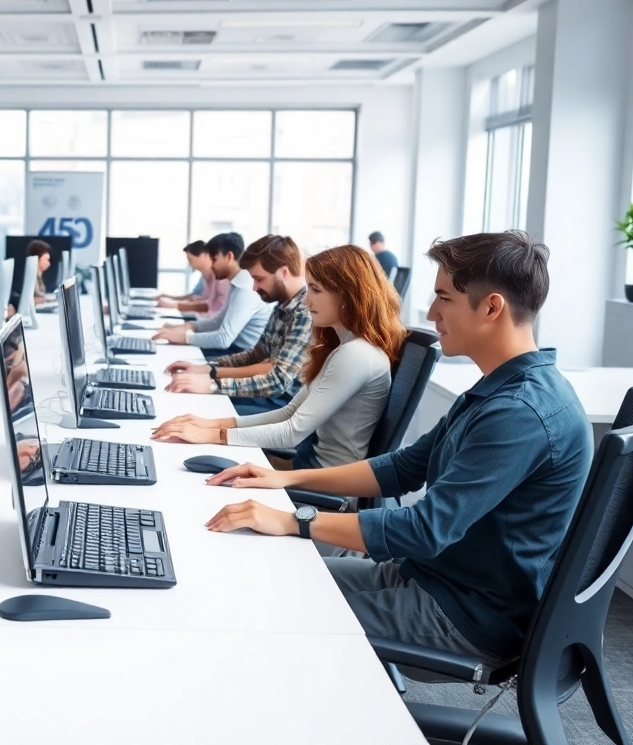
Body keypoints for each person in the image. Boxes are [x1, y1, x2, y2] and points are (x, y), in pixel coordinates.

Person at [203, 231, 592, 673]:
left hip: (462, 614)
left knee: (271, 612)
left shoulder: (520, 413)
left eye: (443, 298)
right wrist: (288, 479)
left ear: (491, 307)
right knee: (268, 576)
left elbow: (425, 530)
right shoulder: (498, 389)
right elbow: (404, 468)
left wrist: (294, 519)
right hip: (427, 577)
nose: (430, 313)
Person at [154, 245, 406, 470]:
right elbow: (289, 413)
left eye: (315, 290)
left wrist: (213, 435)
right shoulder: (342, 347)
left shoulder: (356, 354)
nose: (306, 301)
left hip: (322, 486)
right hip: (307, 465)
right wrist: (211, 424)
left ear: (348, 296)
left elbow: (293, 432)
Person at [163, 235, 313, 417]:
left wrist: (212, 382)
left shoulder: (305, 311)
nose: (254, 287)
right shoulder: (283, 306)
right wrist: (207, 368)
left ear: (284, 273)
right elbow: (256, 354)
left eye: (259, 279)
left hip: (284, 405)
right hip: (268, 396)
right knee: (189, 396)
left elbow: (278, 381)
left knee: (203, 409)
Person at [152, 232, 270, 357]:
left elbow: (223, 339)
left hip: (240, 354)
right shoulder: (236, 283)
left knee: (177, 355)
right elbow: (218, 321)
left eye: (214, 259)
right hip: (232, 349)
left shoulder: (246, 289)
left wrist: (186, 337)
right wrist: (189, 326)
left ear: (229, 257)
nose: (211, 265)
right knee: (174, 349)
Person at [157, 240, 228, 318]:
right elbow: (196, 298)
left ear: (204, 255)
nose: (189, 264)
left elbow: (208, 305)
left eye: (190, 260)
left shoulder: (221, 278)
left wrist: (173, 304)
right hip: (205, 318)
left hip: (212, 321)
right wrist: (171, 300)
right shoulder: (204, 277)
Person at [27, 240, 56, 306]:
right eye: (47, 259)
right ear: (37, 259)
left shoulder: (38, 277)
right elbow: (28, 300)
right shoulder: (30, 279)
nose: (48, 264)